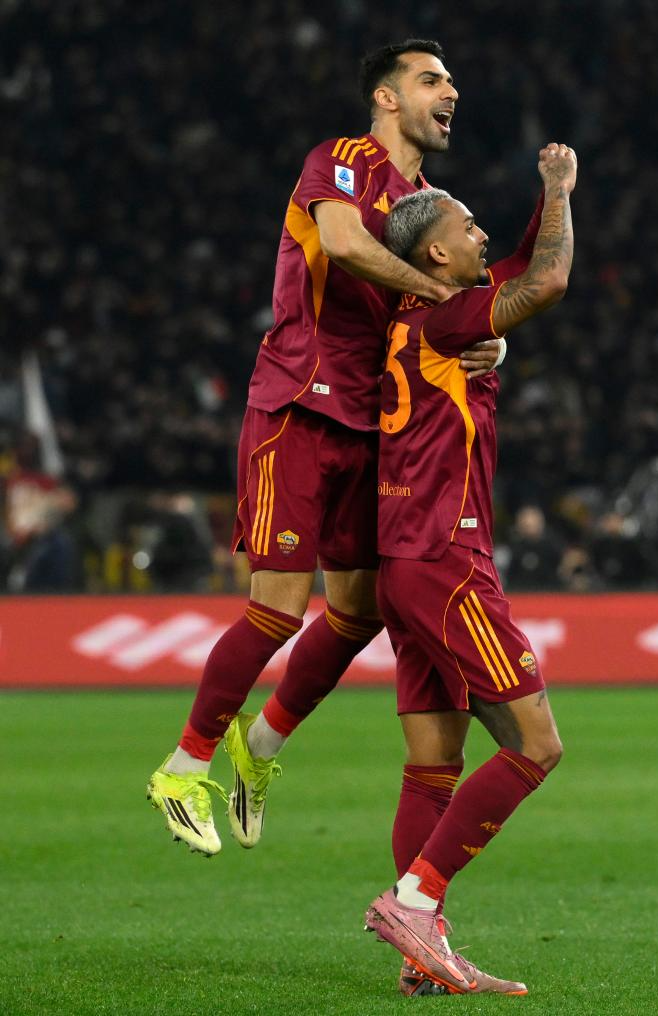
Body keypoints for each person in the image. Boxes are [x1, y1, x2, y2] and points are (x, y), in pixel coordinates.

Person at [146, 40, 504, 855]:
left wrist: (495, 342)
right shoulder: (340, 160)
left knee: (362, 607)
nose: (450, 91)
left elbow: (476, 306)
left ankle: (259, 743)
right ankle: (183, 766)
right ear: (386, 97)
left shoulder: (429, 206)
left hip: (377, 426)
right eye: (431, 79)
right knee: (278, 607)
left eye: (451, 80)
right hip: (300, 404)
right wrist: (435, 289)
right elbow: (341, 242)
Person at [363, 142, 577, 994]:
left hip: (402, 563)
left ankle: (420, 952)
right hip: (448, 559)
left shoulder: (423, 320)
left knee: (433, 765)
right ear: (435, 253)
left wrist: (547, 199)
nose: (481, 233)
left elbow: (524, 260)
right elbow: (547, 280)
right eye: (468, 224)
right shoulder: (445, 315)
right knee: (536, 745)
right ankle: (417, 900)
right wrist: (558, 186)